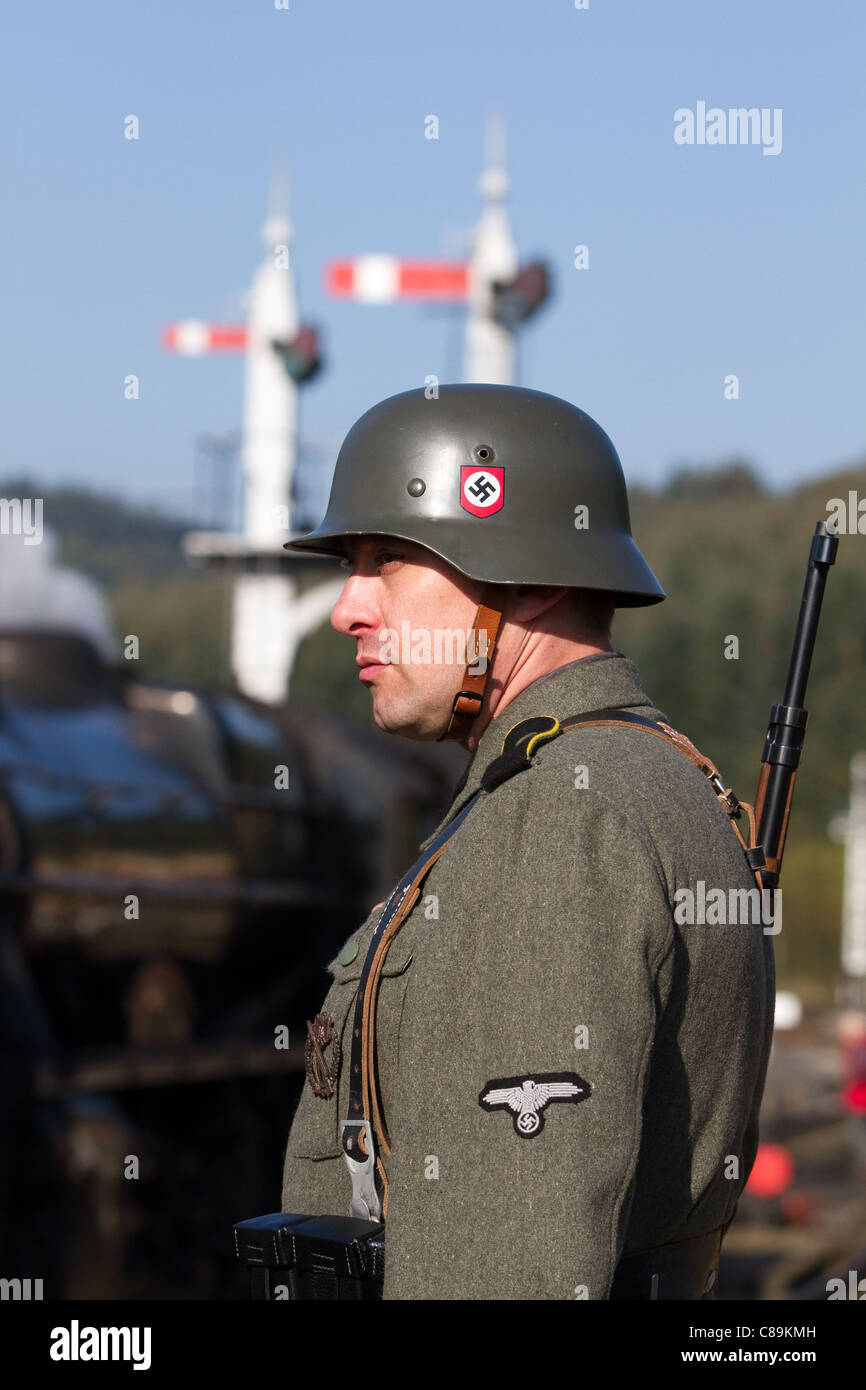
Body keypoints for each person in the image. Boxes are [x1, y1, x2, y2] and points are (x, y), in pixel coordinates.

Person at [278, 383, 775, 1300]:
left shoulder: (560, 819)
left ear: (533, 577)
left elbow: (502, 1266)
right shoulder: (659, 775)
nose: (348, 607)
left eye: (388, 559)